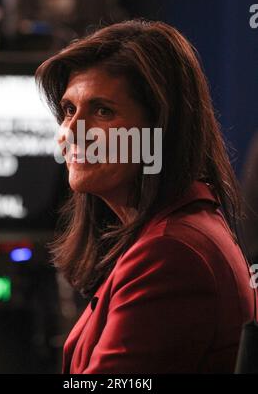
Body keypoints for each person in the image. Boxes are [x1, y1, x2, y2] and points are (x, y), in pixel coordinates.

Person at [35, 19, 255, 374]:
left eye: (103, 111)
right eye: (69, 110)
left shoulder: (171, 254)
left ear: (160, 131)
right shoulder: (171, 232)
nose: (71, 133)